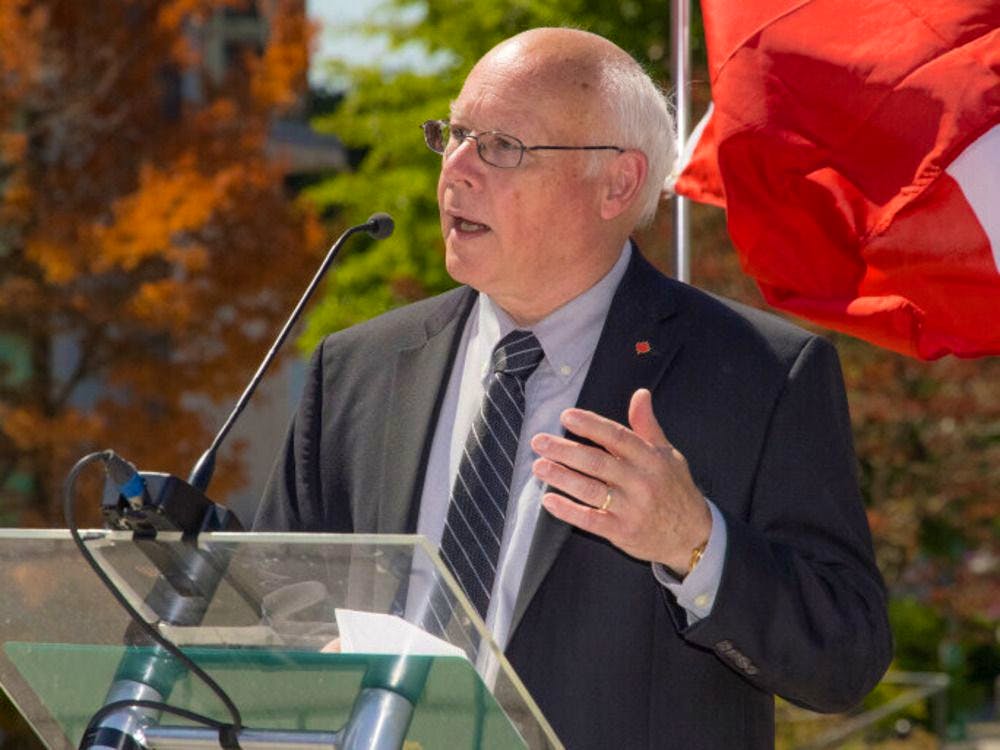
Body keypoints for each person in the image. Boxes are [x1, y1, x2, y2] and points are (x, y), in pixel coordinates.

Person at [254, 27, 892, 749]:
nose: (456, 170)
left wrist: (696, 544)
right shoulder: (358, 368)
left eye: (501, 146)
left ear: (617, 182)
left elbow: (846, 657)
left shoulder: (762, 374)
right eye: (455, 134)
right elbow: (279, 585)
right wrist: (322, 663)